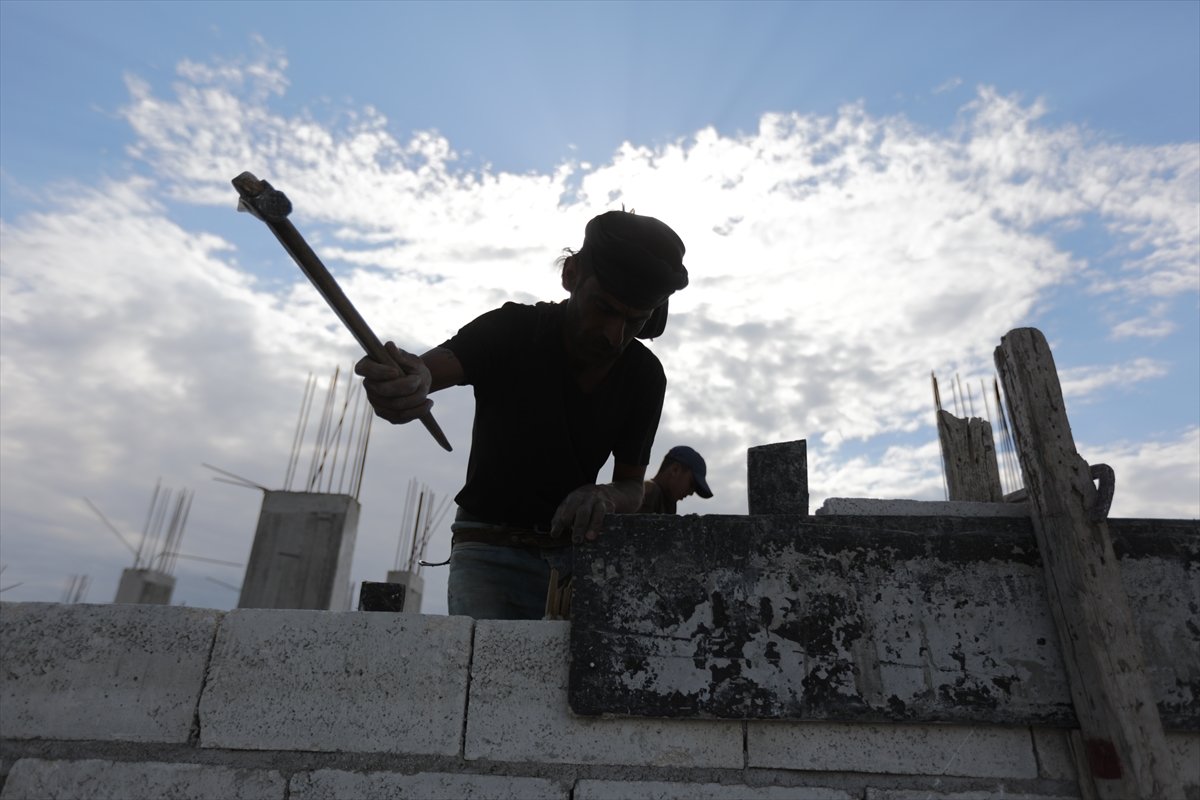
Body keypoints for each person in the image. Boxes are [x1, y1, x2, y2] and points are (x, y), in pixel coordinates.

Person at [356, 210, 689, 620]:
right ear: (572, 274)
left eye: (634, 321)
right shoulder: (513, 330)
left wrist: (602, 495)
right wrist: (408, 382)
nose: (613, 335)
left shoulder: (644, 377)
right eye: (603, 308)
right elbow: (430, 369)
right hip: (487, 552)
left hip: (573, 566)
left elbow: (632, 488)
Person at [637, 445, 713, 514]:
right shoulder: (650, 492)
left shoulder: (668, 504)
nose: (691, 493)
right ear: (675, 470)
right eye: (691, 484)